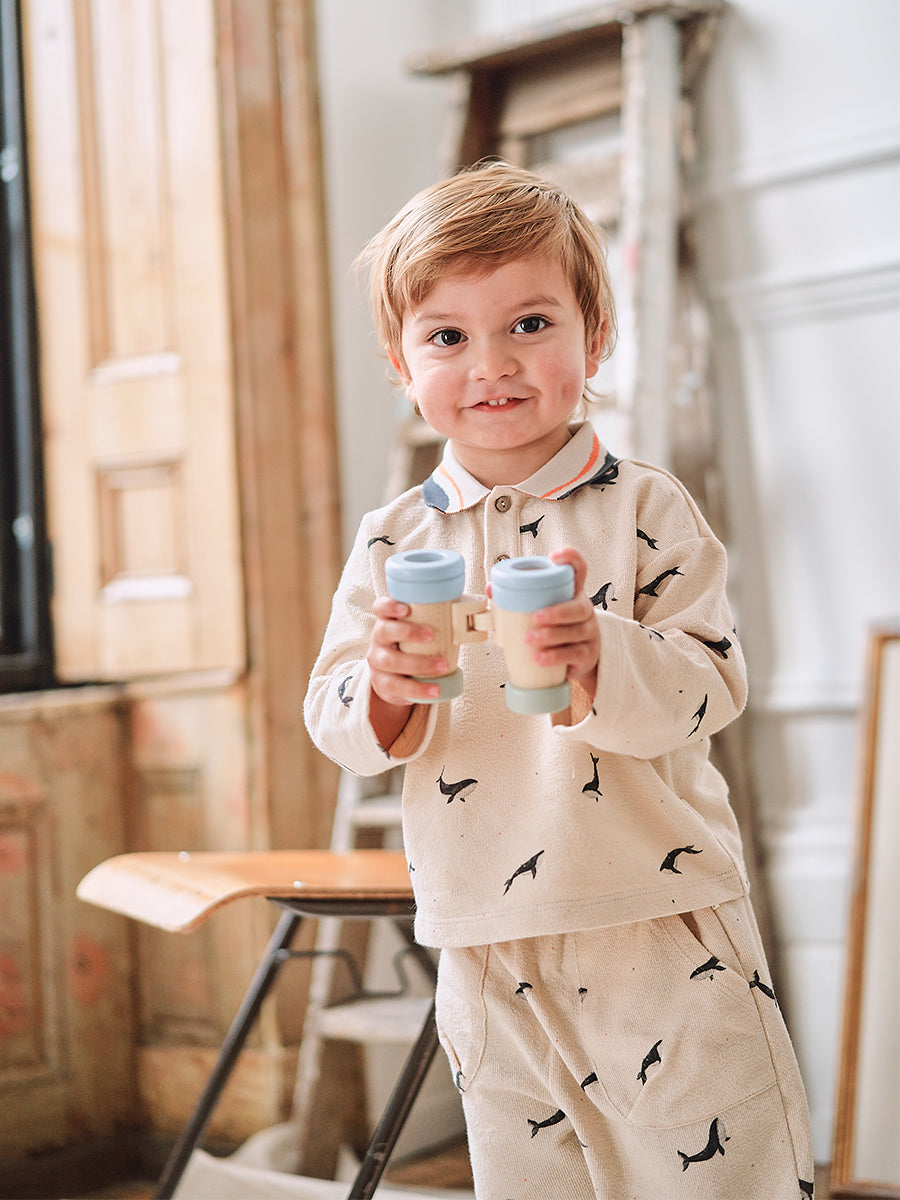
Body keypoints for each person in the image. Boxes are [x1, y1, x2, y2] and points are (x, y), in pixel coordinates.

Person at [304, 161, 814, 1199]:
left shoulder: (647, 509)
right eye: (447, 337)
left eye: (530, 325)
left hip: (653, 913)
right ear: (401, 365)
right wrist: (388, 687)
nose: (491, 364)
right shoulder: (393, 539)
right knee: (529, 1180)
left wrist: (600, 656)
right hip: (479, 935)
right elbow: (336, 717)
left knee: (719, 1174)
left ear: (596, 335)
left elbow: (709, 685)